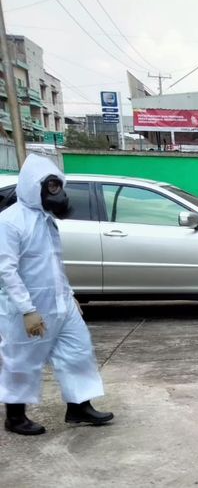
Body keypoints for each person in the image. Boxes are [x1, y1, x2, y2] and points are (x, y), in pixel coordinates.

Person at [0, 153, 113, 436]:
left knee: (77, 351)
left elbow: (53, 265)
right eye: (51, 187)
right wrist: (27, 310)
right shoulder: (10, 222)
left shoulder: (46, 220)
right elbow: (6, 270)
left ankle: (78, 407)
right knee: (21, 360)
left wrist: (70, 295)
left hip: (60, 303)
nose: (58, 194)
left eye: (58, 186)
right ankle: (15, 417)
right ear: (31, 186)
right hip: (26, 308)